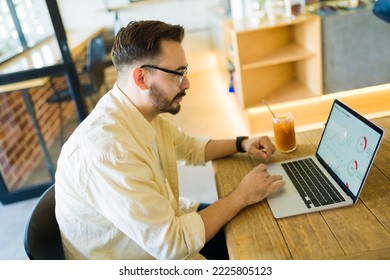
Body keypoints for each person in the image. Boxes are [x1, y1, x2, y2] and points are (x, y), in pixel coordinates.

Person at [54, 20, 285, 260]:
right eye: (177, 74)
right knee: (262, 247)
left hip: (165, 229)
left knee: (264, 221)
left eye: (185, 72)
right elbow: (172, 244)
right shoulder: (108, 151)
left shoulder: (139, 111)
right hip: (144, 257)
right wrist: (240, 196)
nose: (186, 83)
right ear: (141, 78)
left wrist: (242, 143)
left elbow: (192, 148)